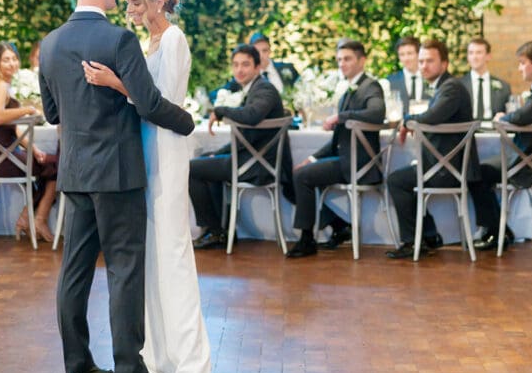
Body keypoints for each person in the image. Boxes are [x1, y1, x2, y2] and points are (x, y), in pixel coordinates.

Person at [39, 0, 196, 373]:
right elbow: (147, 104)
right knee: (125, 271)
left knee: (74, 271)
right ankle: (130, 372)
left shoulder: (50, 44)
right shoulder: (119, 41)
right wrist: (187, 123)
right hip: (119, 172)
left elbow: (52, 113)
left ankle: (77, 367)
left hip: (75, 172)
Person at [82, 0, 211, 373]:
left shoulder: (173, 40)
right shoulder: (147, 43)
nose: (131, 9)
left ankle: (191, 368)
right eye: (129, 1)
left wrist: (116, 84)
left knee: (172, 254)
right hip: (144, 150)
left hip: (167, 151)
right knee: (153, 257)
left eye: (137, 2)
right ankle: (160, 359)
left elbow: (161, 102)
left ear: (159, 1)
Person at [286, 39, 385, 258]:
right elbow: (336, 142)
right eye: (339, 59)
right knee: (296, 174)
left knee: (301, 178)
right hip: (346, 159)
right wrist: (312, 159)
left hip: (360, 164)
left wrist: (341, 116)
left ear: (362, 60)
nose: (342, 64)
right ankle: (338, 225)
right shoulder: (347, 93)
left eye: (347, 59)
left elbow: (377, 113)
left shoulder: (371, 86)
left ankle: (307, 239)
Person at [190, 42, 290, 250]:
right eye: (235, 65)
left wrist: (221, 110)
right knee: (208, 158)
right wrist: (216, 154)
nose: (239, 70)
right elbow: (248, 138)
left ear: (257, 67)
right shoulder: (252, 88)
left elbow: (251, 117)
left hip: (257, 166)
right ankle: (221, 230)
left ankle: (215, 230)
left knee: (191, 169)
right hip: (249, 159)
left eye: (245, 65)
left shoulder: (265, 89)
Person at [470, 39, 532, 252]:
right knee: (481, 170)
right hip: (530, 158)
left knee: (475, 173)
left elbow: (522, 116)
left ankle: (497, 232)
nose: (519, 68)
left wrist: (503, 117)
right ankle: (500, 231)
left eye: (523, 63)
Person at [386, 38, 474, 260]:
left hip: (448, 170)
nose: (423, 66)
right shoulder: (446, 86)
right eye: (421, 61)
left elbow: (432, 117)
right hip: (445, 166)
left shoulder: (451, 87)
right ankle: (429, 235)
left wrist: (407, 121)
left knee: (396, 180)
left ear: (444, 64)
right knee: (406, 176)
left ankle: (412, 241)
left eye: (430, 61)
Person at [0, 41, 57, 243]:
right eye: (6, 60)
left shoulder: (3, 85)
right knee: (57, 167)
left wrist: (34, 149)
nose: (11, 64)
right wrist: (27, 110)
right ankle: (36, 219)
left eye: (14, 59)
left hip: (4, 155)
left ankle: (29, 218)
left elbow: (11, 127)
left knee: (48, 164)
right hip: (3, 159)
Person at [458, 36, 511, 124]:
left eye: (478, 53)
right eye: (471, 53)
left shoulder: (503, 86)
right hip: (466, 132)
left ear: (488, 56)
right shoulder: (458, 85)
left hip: (494, 132)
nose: (474, 57)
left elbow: (508, 113)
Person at [386, 36, 426, 114]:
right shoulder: (390, 81)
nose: (406, 58)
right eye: (402, 54)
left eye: (410, 53)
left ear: (419, 54)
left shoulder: (431, 78)